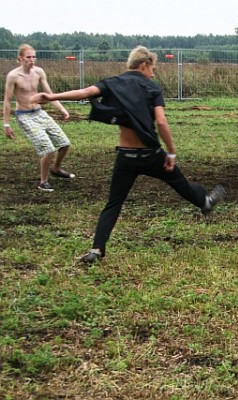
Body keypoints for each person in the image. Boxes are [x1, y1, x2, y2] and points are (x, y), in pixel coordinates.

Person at [33, 45, 225, 264]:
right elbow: (161, 122)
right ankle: (204, 202)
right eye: (153, 69)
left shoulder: (113, 82)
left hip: (126, 157)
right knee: (180, 184)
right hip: (151, 155)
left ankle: (97, 249)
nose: (153, 74)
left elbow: (85, 93)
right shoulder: (152, 88)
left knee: (114, 203)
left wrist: (51, 96)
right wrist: (171, 152)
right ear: (144, 65)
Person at [3, 44, 75, 192]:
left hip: (39, 113)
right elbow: (7, 100)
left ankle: (56, 169)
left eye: (34, 57)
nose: (32, 60)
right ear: (20, 58)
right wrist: (6, 124)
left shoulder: (39, 72)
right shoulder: (13, 76)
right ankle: (43, 182)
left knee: (64, 144)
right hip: (24, 116)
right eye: (28, 57)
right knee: (48, 149)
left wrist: (62, 109)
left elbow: (49, 95)